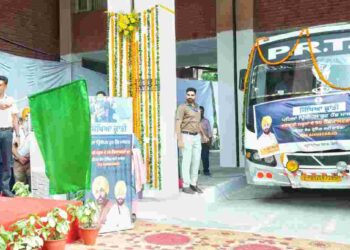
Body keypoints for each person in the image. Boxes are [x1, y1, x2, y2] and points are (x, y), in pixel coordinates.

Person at [176, 87, 209, 194]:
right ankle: (186, 185)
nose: (190, 96)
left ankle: (193, 184)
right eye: (188, 95)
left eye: (192, 95)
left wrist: (203, 135)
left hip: (196, 137)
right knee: (186, 161)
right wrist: (179, 139)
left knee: (196, 160)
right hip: (186, 136)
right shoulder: (182, 107)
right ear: (186, 96)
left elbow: (198, 123)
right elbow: (178, 123)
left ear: (195, 96)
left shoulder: (198, 107)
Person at [0, 76, 19, 197]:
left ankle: (5, 188)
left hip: (7, 132)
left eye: (0, 85)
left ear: (6, 86)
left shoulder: (11, 100)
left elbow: (15, 119)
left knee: (7, 161)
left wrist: (17, 135)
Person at [12, 107, 31, 186]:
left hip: (30, 162)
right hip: (18, 163)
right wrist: (20, 158)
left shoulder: (31, 131)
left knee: (32, 187)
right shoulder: (16, 132)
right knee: (20, 187)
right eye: (26, 118)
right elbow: (12, 147)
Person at [199, 106, 212, 176]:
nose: (200, 113)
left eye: (202, 111)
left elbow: (210, 133)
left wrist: (209, 143)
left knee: (205, 157)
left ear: (203, 112)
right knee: (196, 158)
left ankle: (206, 170)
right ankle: (196, 170)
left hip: (204, 143)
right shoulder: (194, 121)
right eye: (199, 111)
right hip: (196, 143)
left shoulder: (206, 121)